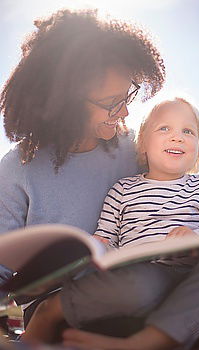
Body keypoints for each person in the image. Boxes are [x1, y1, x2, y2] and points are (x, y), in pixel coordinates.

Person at [21, 98, 199, 349]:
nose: (177, 138)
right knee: (137, 285)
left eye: (188, 131)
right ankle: (51, 310)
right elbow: (105, 238)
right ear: (143, 142)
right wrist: (95, 249)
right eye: (164, 128)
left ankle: (149, 340)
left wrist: (198, 236)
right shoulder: (123, 189)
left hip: (196, 272)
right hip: (145, 273)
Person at [0, 8, 165, 296]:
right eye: (111, 102)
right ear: (64, 103)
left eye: (127, 95)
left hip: (136, 289)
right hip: (56, 304)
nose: (125, 111)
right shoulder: (18, 167)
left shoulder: (137, 148)